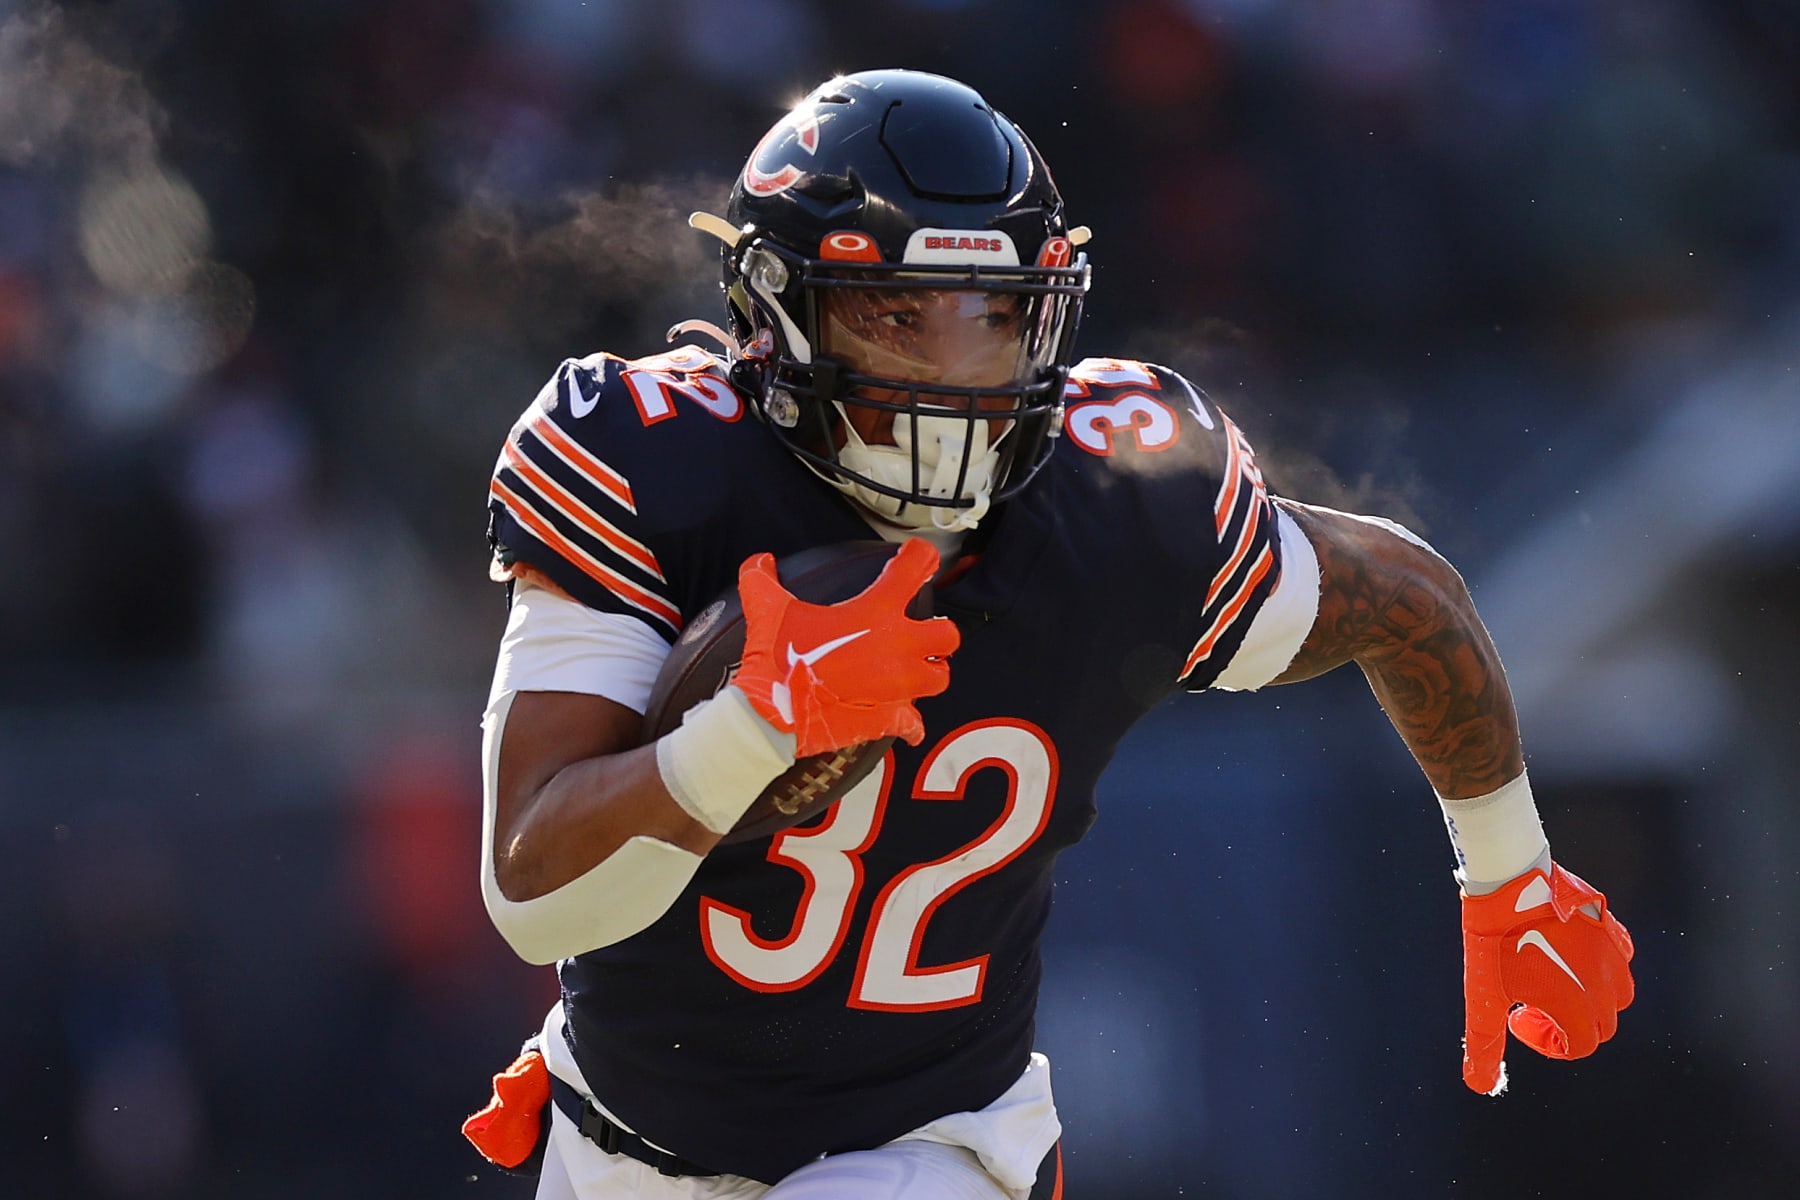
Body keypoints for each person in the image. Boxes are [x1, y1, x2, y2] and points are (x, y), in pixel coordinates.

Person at [462, 69, 1635, 1199]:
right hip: (616, 1139)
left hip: (929, 1145)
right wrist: (751, 732)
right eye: (894, 317)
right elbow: (538, 901)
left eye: (992, 319)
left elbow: (1404, 594)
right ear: (776, 318)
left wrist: (1511, 874)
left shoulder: (1119, 502)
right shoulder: (654, 458)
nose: (950, 373)